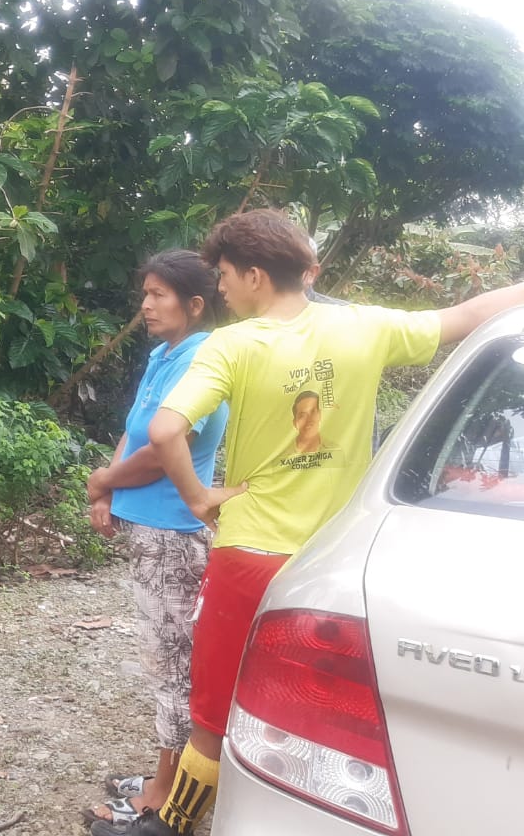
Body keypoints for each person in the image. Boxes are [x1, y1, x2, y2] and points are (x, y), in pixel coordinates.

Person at [109, 209, 524, 836]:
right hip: (331, 558)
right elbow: (466, 316)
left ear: (254, 275)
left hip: (250, 551)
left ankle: (171, 823)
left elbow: (167, 430)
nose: (221, 288)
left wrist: (197, 498)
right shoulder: (363, 326)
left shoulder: (232, 344)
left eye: (225, 275)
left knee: (213, 706)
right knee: (314, 706)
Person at [83, 251, 228, 828]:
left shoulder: (202, 360)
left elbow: (164, 451)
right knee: (162, 658)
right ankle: (161, 778)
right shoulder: (162, 355)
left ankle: (166, 795)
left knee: (172, 667)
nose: (145, 305)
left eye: (158, 295)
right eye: (145, 293)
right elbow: (134, 431)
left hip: (173, 535)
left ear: (194, 304)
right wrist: (106, 491)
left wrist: (104, 480)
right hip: (148, 531)